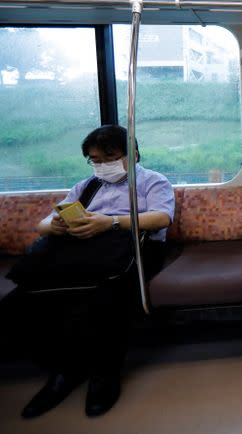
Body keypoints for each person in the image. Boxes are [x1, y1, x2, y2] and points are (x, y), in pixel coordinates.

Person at [4, 125, 174, 418]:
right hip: (86, 253)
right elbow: (45, 222)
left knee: (108, 298)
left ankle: (104, 376)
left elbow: (161, 218)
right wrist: (56, 225)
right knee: (25, 301)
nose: (101, 165)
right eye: (95, 160)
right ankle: (64, 371)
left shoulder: (151, 182)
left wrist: (109, 222)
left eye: (109, 157)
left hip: (134, 249)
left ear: (132, 154)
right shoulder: (86, 187)